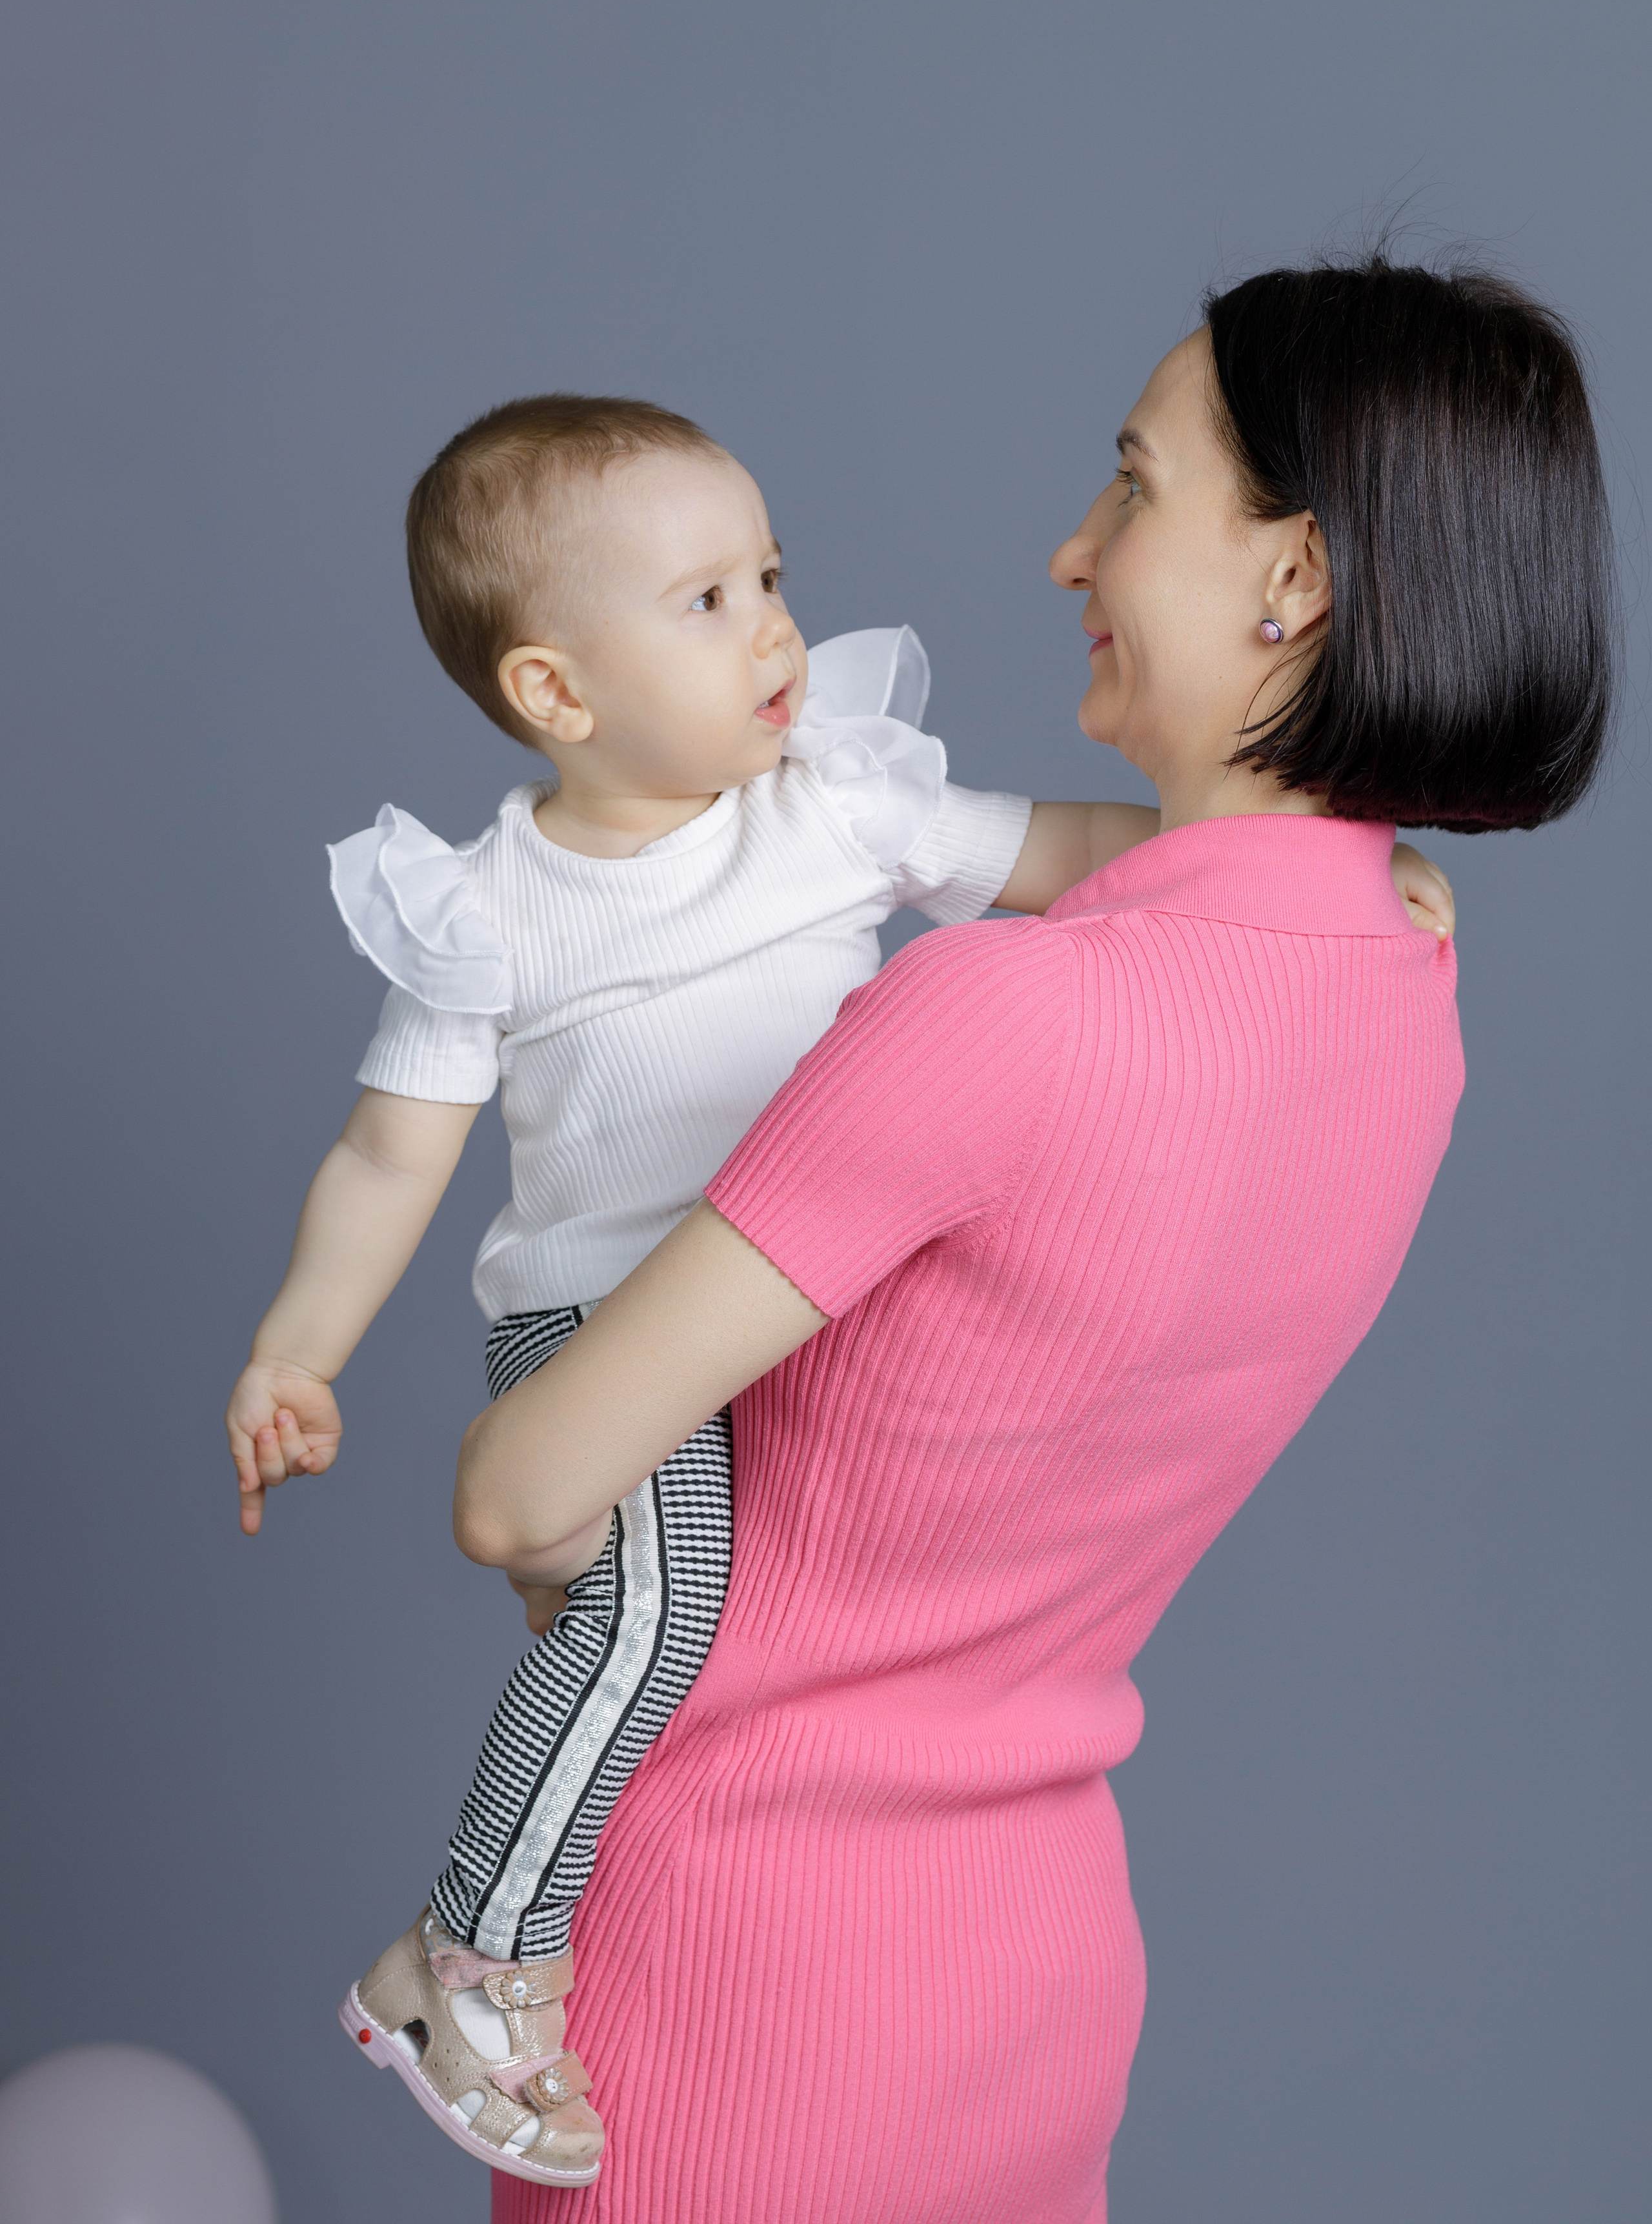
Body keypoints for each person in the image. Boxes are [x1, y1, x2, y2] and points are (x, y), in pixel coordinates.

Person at [438, 257, 1611, 2224]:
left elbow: (524, 1493)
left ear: (1294, 578)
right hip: (1031, 1991)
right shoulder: (1409, 1001)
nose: (1073, 547)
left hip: (740, 1996)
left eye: (1136, 485)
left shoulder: (998, 1016)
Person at [228, 389, 1459, 2188]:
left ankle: (479, 1943)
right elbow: (385, 1158)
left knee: (635, 1602)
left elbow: (1074, 857)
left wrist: (1328, 867)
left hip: (770, 1350)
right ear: (554, 692)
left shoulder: (831, 811)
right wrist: (299, 1348)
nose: (775, 630)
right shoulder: (488, 909)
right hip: (600, 1326)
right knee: (647, 1616)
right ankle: (474, 1952)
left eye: (771, 577)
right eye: (705, 602)